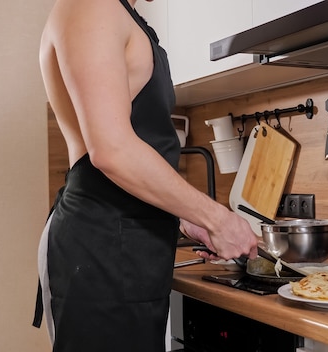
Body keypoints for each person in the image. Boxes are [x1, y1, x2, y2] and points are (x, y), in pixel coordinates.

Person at [33, 0, 259, 350]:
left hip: (121, 245)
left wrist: (185, 217)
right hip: (101, 249)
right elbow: (112, 150)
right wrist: (217, 218)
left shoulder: (115, 12)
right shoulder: (94, 6)